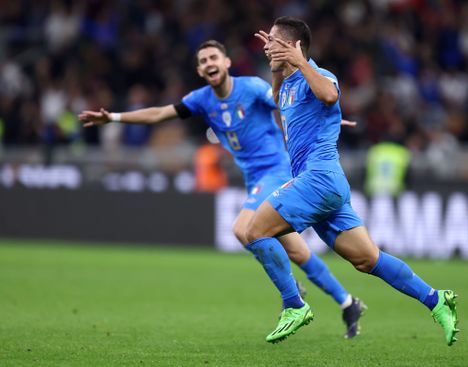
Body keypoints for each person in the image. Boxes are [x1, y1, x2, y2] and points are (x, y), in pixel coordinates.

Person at [79, 40, 366, 339]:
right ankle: (347, 302)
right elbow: (159, 114)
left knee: (243, 228)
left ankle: (292, 298)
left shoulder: (252, 88)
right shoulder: (202, 99)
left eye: (214, 57)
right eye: (203, 60)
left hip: (277, 171)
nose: (209, 63)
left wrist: (323, 117)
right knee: (296, 251)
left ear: (226, 62)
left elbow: (287, 103)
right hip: (254, 178)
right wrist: (112, 117)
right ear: (200, 70)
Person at [250, 16, 459, 345]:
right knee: (367, 259)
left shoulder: (319, 74)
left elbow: (330, 96)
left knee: (253, 231)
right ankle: (436, 299)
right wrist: (277, 66)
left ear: (295, 45)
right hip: (325, 186)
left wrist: (300, 62)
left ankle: (294, 304)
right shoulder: (288, 83)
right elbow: (279, 101)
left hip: (318, 179)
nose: (266, 45)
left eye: (274, 40)